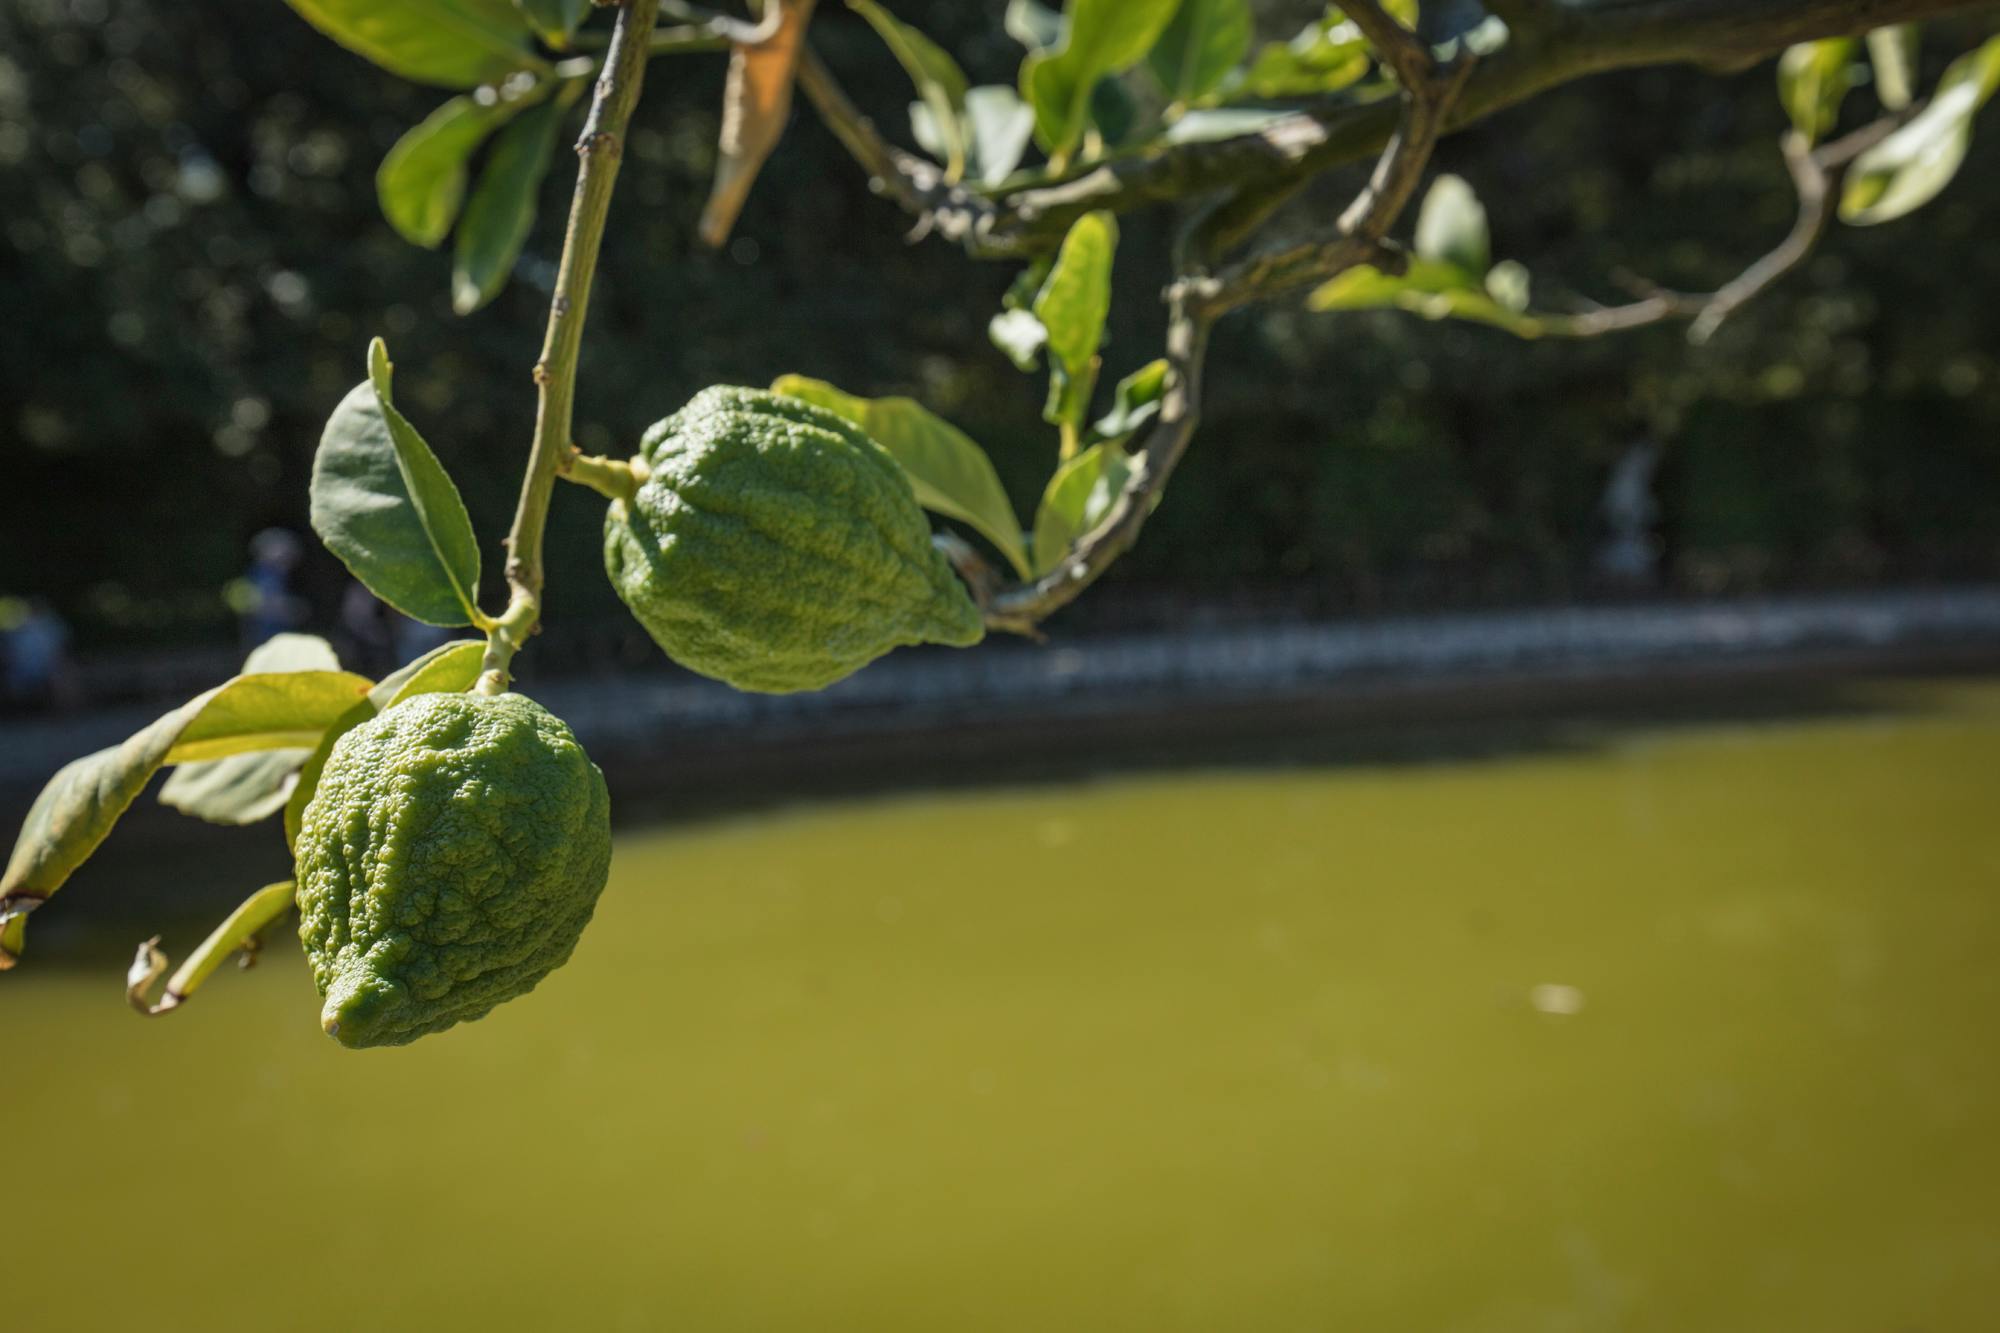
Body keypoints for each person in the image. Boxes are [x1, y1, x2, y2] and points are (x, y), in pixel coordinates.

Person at [239, 528, 309, 648]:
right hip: (267, 638)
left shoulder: (275, 575)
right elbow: (264, 606)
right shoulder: (265, 575)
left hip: (274, 637)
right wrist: (294, 609)